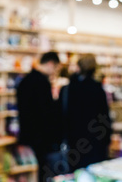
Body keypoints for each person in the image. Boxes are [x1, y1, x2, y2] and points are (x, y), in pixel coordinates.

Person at [59, 54, 112, 172]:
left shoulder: (67, 90)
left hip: (73, 144)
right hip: (95, 144)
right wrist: (106, 141)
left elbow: (61, 117)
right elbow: (104, 119)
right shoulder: (97, 90)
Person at [16, 52, 61, 182]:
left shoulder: (24, 80)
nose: (54, 73)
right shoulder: (43, 83)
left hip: (26, 135)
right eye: (56, 69)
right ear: (51, 64)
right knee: (42, 173)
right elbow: (46, 113)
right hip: (40, 138)